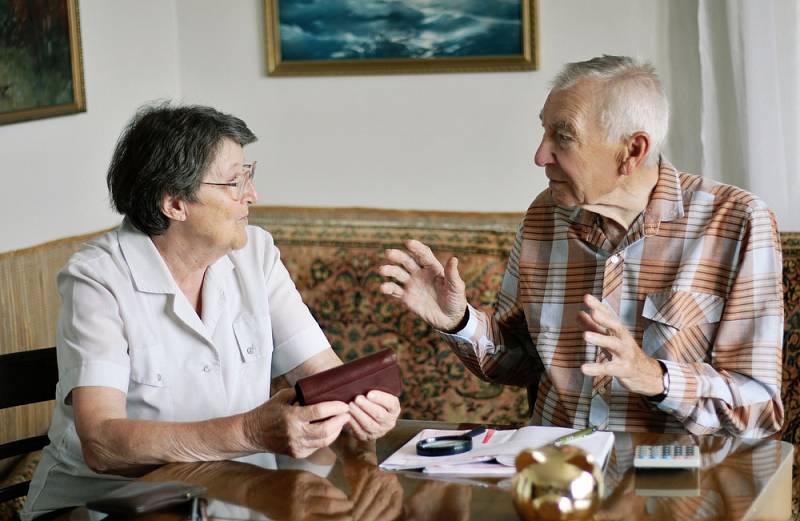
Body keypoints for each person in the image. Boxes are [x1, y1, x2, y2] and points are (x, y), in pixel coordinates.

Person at [23, 103, 400, 519]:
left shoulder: (256, 254)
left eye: (249, 175)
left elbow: (322, 374)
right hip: (109, 507)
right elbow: (103, 443)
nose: (252, 195)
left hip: (236, 499)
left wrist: (364, 405)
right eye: (235, 182)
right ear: (174, 203)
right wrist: (251, 431)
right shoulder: (97, 278)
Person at [379, 55, 783, 438]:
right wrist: (458, 322)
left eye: (563, 136)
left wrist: (652, 376)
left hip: (670, 484)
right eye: (544, 131)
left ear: (632, 151)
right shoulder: (544, 217)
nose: (540, 155)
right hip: (555, 476)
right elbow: (517, 362)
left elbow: (759, 410)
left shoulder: (737, 223)